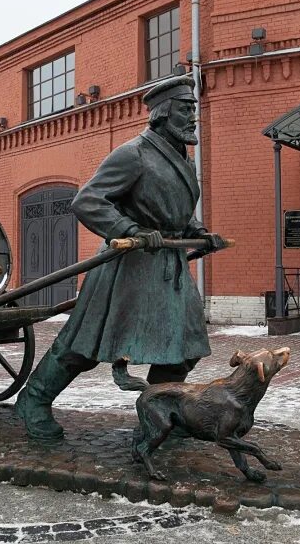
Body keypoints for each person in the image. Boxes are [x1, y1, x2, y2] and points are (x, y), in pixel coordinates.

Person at [15, 75, 225, 440]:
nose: (194, 117)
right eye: (185, 109)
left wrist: (197, 232)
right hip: (125, 268)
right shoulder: (134, 154)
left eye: (194, 109)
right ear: (162, 114)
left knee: (182, 348)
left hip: (166, 268)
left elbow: (174, 212)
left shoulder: (184, 162)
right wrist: (129, 230)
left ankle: (164, 410)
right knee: (84, 345)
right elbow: (87, 201)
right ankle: (33, 400)